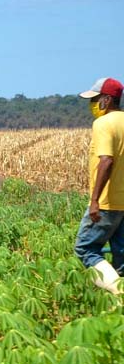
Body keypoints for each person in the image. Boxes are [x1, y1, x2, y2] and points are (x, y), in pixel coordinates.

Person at [74, 77, 124, 294]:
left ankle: (119, 293)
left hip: (107, 202)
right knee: (121, 253)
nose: (92, 104)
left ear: (106, 99)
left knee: (86, 248)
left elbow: (107, 160)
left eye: (94, 99)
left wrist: (94, 200)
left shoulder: (103, 124)